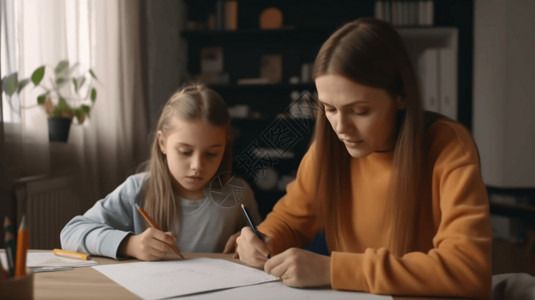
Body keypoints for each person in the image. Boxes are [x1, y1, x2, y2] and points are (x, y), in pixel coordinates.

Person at [236, 17, 492, 299]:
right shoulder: (327, 150)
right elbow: (291, 221)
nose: (341, 128)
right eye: (329, 109)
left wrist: (333, 270)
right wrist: (261, 239)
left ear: (402, 97)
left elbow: (468, 271)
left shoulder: (448, 146)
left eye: (359, 111)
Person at [61, 84, 260, 260]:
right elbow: (71, 233)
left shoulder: (238, 192)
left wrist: (253, 240)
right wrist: (130, 245)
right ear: (162, 142)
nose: (197, 165)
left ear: (225, 147)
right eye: (185, 152)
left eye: (211, 154)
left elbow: (265, 239)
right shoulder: (137, 189)